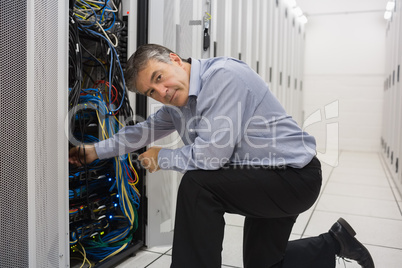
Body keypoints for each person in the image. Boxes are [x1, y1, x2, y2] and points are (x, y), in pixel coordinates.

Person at [69, 44, 375, 268]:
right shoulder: (179, 105)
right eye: (151, 92)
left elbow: (212, 157)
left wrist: (163, 158)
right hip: (263, 176)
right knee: (264, 265)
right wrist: (95, 151)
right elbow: (144, 131)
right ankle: (335, 242)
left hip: (294, 177)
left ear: (175, 59)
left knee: (198, 186)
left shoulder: (224, 78)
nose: (161, 92)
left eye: (159, 77)